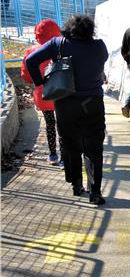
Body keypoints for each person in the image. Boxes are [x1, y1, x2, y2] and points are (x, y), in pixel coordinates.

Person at [25, 14, 109, 205]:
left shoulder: (58, 44)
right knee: (94, 147)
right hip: (92, 102)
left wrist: (42, 83)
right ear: (90, 30)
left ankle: (76, 186)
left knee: (71, 145)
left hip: (65, 102)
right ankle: (94, 192)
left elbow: (31, 61)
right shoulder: (99, 46)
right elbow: (100, 63)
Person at [20, 19, 64, 167]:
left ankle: (52, 154)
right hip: (62, 91)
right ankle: (65, 155)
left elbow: (26, 76)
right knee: (63, 124)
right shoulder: (62, 47)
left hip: (43, 94)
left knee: (50, 123)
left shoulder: (31, 51)